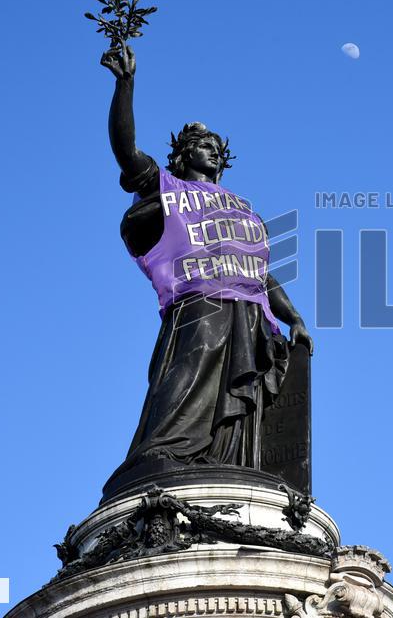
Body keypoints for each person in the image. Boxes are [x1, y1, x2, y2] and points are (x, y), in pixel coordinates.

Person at [99, 46, 313, 494]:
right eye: (202, 146)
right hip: (198, 305)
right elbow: (126, 151)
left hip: (250, 315)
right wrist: (125, 85)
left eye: (216, 148)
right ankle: (162, 454)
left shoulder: (241, 208)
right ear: (183, 154)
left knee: (238, 402)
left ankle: (227, 464)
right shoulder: (167, 188)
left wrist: (293, 316)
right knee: (186, 382)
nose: (211, 152)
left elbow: (260, 272)